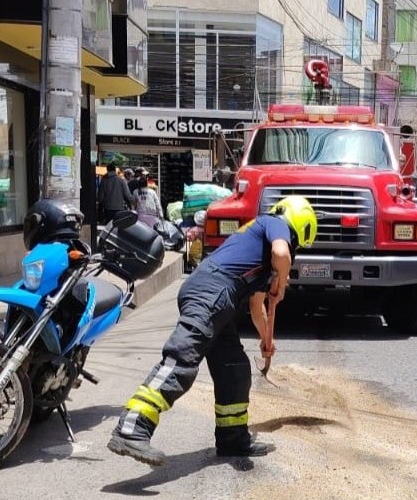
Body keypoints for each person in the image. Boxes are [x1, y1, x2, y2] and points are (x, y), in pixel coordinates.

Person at [107, 196, 319, 464]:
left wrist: (267, 339)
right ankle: (131, 428)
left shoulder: (258, 252)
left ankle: (233, 438)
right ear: (299, 225)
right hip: (212, 291)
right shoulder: (275, 223)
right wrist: (282, 283)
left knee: (234, 369)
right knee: (182, 358)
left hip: (218, 295)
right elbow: (282, 253)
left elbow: (257, 308)